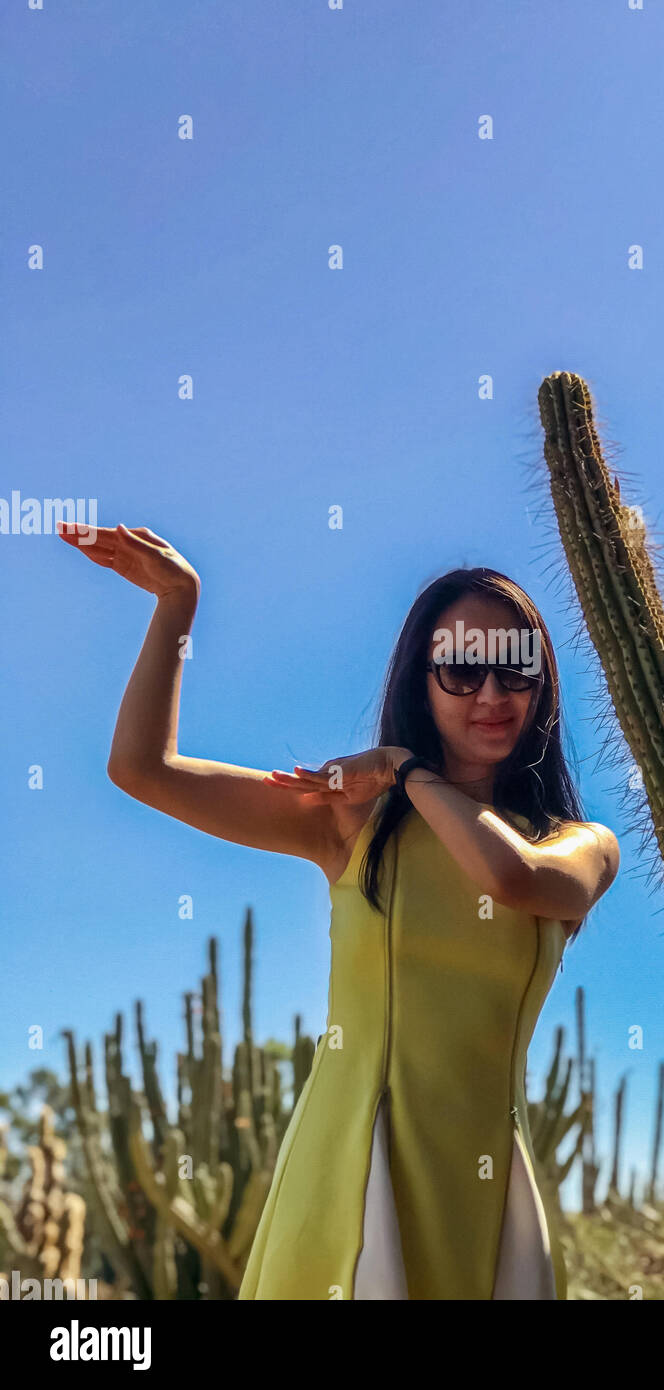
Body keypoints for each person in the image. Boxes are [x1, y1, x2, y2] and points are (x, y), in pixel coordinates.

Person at [57, 520, 620, 1299]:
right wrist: (176, 606)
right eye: (460, 671)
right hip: (355, 1160)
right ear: (420, 683)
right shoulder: (349, 822)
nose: (490, 694)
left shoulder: (580, 844)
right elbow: (142, 769)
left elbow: (510, 878)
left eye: (514, 671)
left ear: (541, 683)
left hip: (485, 1181)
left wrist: (403, 768)